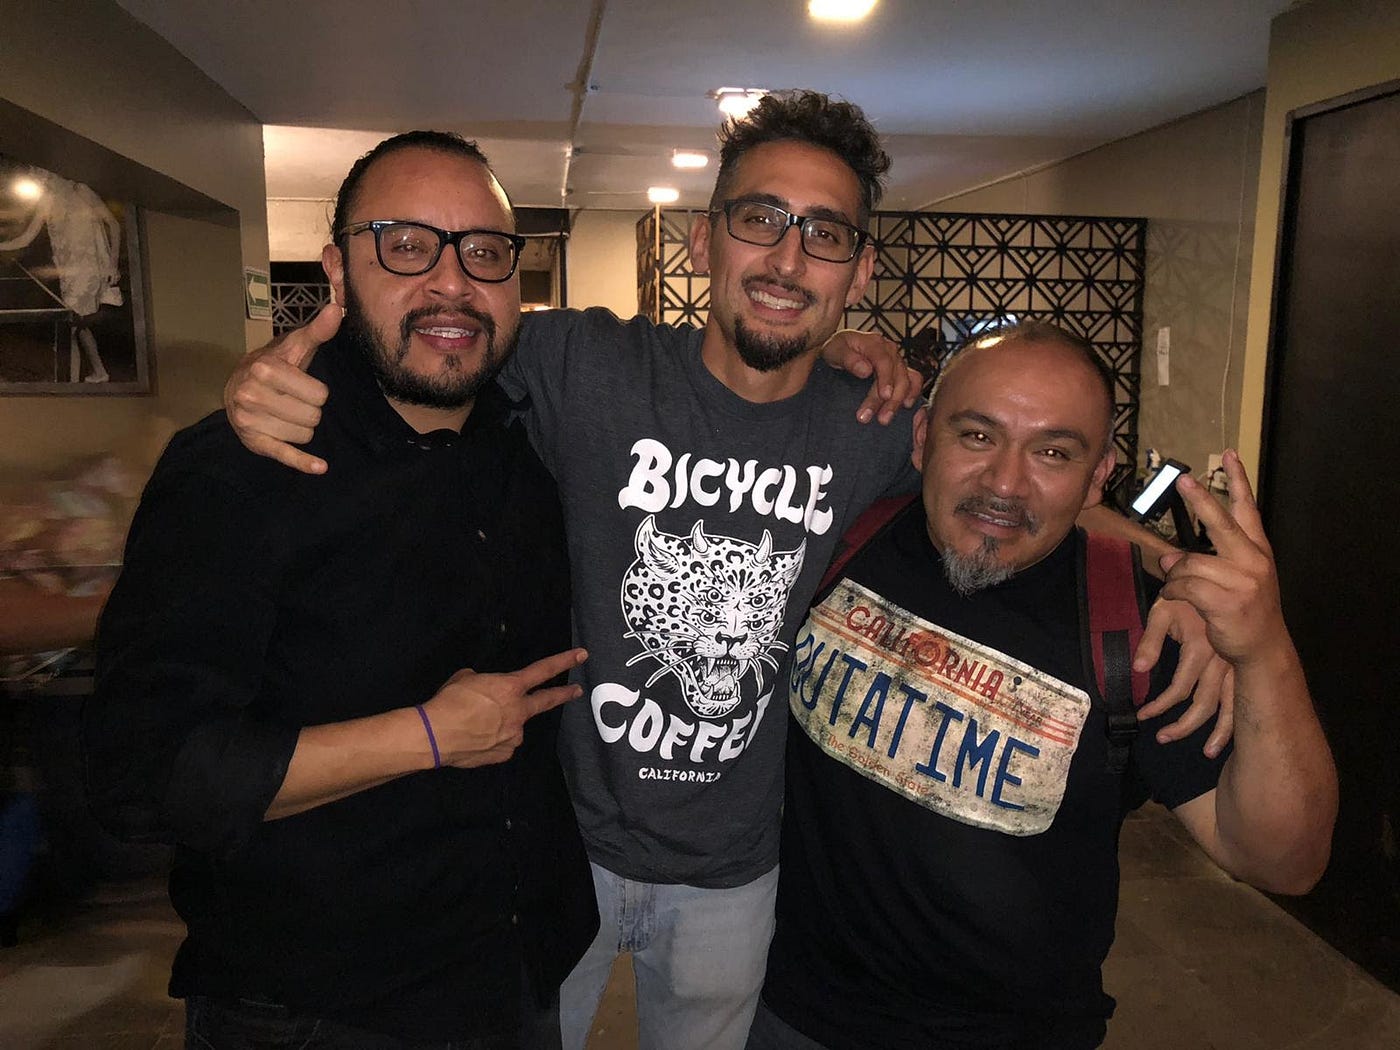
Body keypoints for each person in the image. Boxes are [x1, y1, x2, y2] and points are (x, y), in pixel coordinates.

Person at [224, 94, 1228, 1050]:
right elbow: (429, 340)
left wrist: (1174, 575)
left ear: (858, 270)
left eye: (824, 233)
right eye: (760, 219)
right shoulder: (581, 364)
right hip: (556, 846)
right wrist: (279, 370)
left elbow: (1014, 484)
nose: (789, 258)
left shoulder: (879, 426)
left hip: (740, 875)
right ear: (703, 239)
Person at [84, 132, 598, 1049]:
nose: (452, 283)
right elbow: (156, 772)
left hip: (512, 974)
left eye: (484, 252)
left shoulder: (524, 451)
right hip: (320, 1006)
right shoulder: (241, 468)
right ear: (338, 269)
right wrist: (429, 736)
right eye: (406, 244)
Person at [748, 322, 1338, 1050]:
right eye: (976, 436)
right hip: (789, 1014)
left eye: (1053, 453)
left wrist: (1266, 650)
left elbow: (1283, 860)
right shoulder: (843, 535)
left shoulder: (1139, 628)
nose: (1004, 482)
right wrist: (827, 347)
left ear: (1097, 477)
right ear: (923, 436)